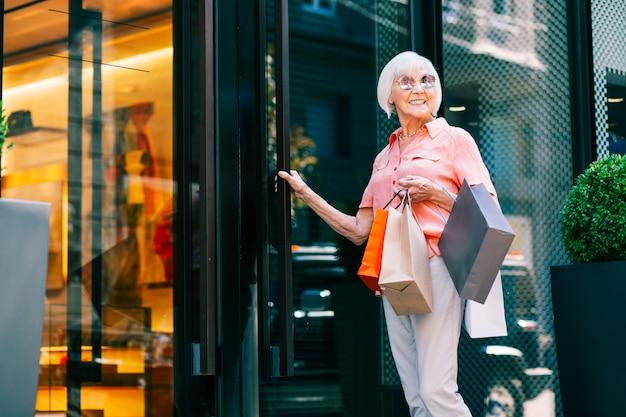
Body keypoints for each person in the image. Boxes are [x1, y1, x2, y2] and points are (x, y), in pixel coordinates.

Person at [279, 50, 499, 417]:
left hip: (437, 265)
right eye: (406, 81)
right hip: (395, 272)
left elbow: (488, 210)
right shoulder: (384, 158)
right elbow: (357, 230)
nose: (418, 89)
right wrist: (305, 193)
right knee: (415, 395)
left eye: (427, 81)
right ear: (389, 95)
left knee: (436, 391)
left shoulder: (453, 139)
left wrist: (437, 195)